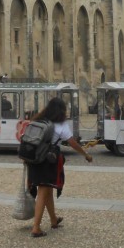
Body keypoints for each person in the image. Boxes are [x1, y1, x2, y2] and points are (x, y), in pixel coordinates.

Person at [25, 97, 93, 237]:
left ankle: (53, 220)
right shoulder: (61, 124)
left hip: (34, 159)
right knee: (43, 192)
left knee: (48, 190)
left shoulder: (39, 119)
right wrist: (85, 154)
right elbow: (72, 143)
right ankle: (36, 228)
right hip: (48, 161)